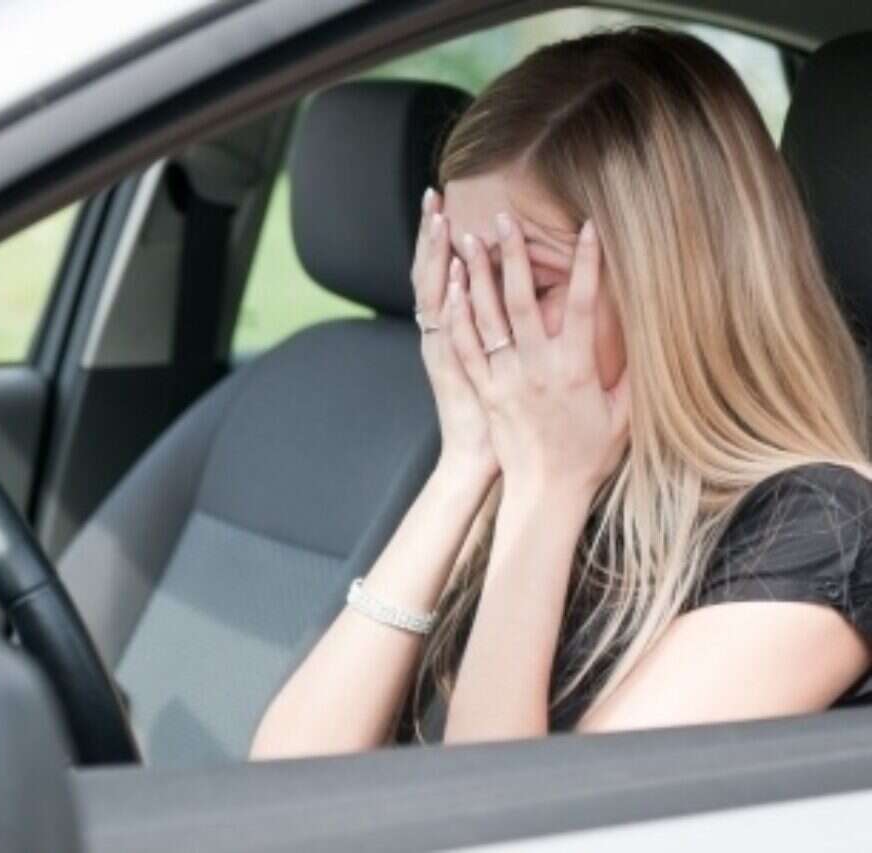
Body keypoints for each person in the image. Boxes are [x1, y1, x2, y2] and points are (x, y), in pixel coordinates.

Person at [250, 26, 872, 758]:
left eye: (527, 284)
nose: (481, 322)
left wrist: (546, 490)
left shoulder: (823, 530)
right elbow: (285, 776)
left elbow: (496, 808)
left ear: (671, 294)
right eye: (461, 277)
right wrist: (464, 464)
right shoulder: (535, 460)